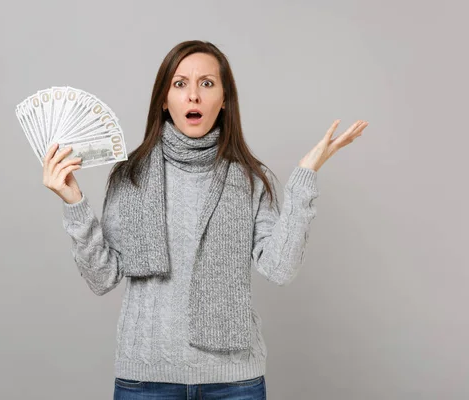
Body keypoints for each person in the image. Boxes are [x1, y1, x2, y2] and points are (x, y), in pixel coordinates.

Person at [42, 40, 368, 399]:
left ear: (225, 100)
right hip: (146, 380)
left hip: (234, 383)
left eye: (207, 84)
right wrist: (74, 203)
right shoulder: (130, 176)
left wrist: (306, 175)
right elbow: (102, 277)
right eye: (180, 84)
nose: (193, 96)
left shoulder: (251, 179)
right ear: (164, 100)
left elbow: (280, 268)